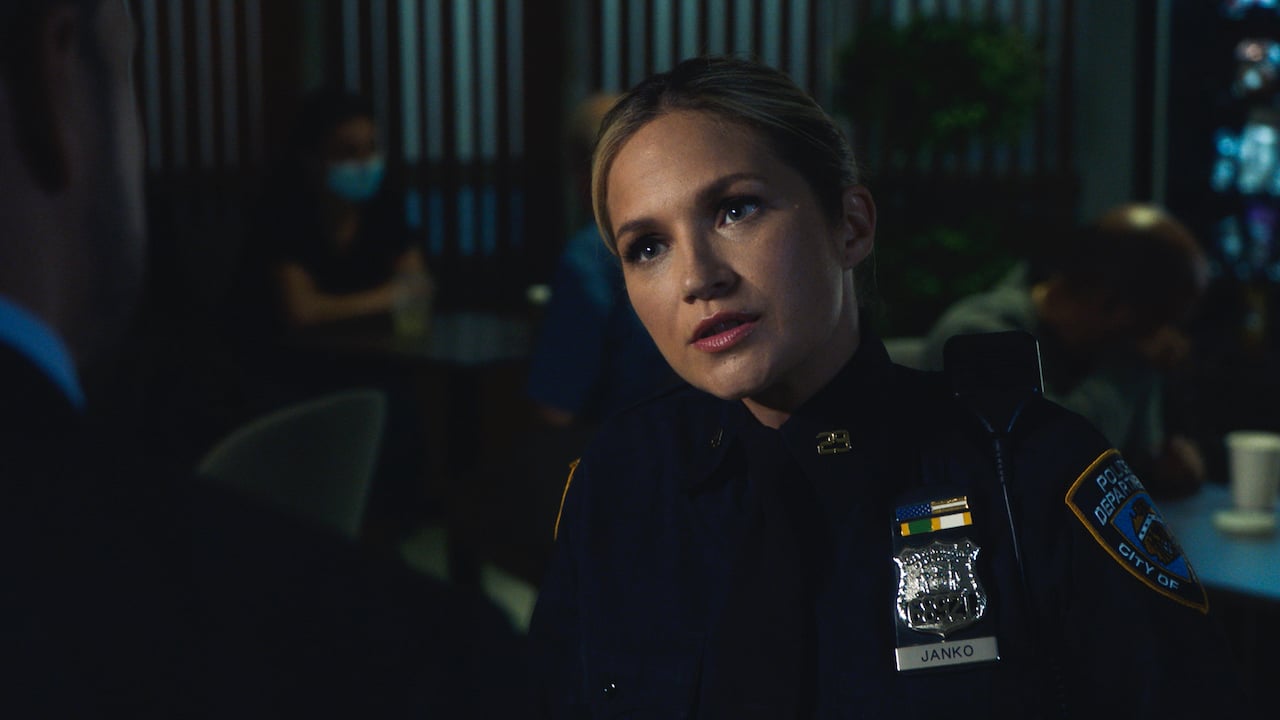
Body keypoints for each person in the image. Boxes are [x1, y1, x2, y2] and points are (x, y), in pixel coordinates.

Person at [526, 56, 1247, 716]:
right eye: (647, 247)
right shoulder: (619, 481)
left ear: (851, 224)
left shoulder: (1032, 474)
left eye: (735, 209)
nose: (697, 277)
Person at [0, 2, 525, 715]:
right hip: (276, 377)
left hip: (364, 373)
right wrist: (384, 295)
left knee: (397, 413)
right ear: (53, 70)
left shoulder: (385, 204)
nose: (364, 164)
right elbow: (305, 311)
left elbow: (415, 283)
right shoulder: (412, 658)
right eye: (347, 150)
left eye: (370, 148)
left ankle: (403, 525)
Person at [921, 204, 1210, 498]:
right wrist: (1127, 367)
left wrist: (1164, 470)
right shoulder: (979, 337)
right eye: (1156, 324)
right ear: (1110, 304)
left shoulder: (1109, 346)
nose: (1169, 341)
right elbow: (1047, 465)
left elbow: (1129, 466)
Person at [526, 93, 674, 429]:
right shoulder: (690, 236)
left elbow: (556, 407)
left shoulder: (589, 257)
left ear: (583, 174)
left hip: (628, 445)